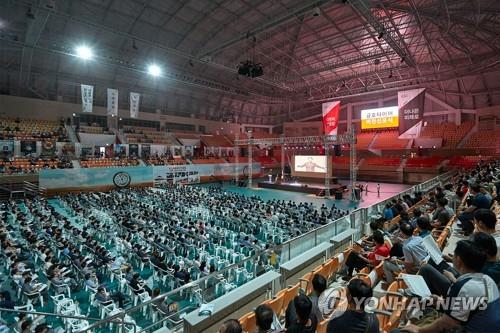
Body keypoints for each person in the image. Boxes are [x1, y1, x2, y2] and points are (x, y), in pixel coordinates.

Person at [402, 240, 500, 333]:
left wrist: (419, 330)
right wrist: (444, 303)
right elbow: (469, 306)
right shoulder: (488, 279)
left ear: (458, 260)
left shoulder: (462, 286)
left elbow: (446, 324)